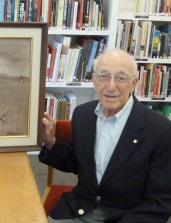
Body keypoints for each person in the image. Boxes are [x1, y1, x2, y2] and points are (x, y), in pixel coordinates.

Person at [39, 49, 171, 223]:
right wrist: (51, 143)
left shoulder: (160, 130)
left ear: (134, 83)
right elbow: (80, 164)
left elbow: (160, 201)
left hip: (126, 216)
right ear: (93, 80)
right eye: (103, 76)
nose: (110, 86)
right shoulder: (82, 114)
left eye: (121, 78)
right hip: (79, 208)